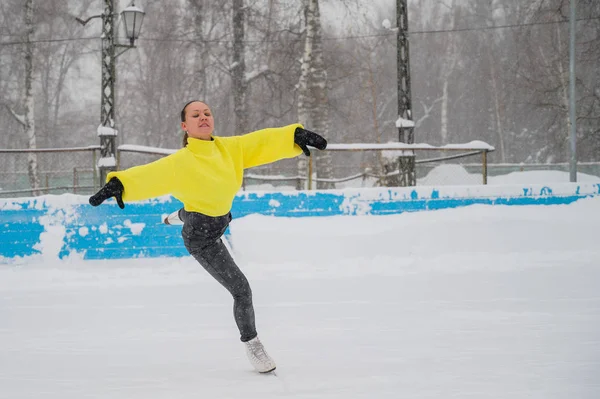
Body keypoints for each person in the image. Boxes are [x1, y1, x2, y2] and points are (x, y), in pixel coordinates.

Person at [89, 100, 327, 373]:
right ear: (185, 126)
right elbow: (150, 175)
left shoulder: (230, 149)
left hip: (214, 217)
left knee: (193, 210)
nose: (203, 117)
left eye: (207, 113)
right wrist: (120, 184)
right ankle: (253, 344)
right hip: (201, 237)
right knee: (241, 289)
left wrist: (292, 136)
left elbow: (260, 142)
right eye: (195, 115)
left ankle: (174, 216)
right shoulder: (181, 163)